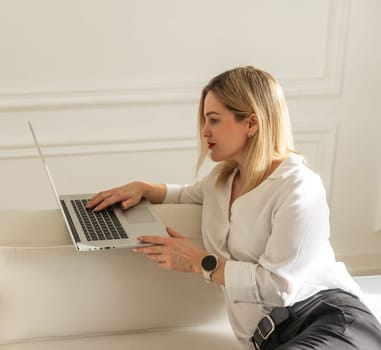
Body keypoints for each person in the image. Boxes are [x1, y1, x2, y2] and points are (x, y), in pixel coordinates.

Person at [86, 66, 381, 349]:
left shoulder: (299, 187)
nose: (204, 131)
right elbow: (186, 194)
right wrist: (146, 188)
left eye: (214, 120)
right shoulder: (220, 180)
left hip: (328, 318)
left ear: (252, 123)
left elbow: (278, 287)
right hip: (270, 339)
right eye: (204, 120)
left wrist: (199, 261)